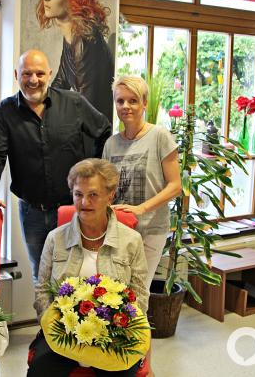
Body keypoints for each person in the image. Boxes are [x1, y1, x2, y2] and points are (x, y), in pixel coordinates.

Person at [0, 49, 112, 282]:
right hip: (32, 212)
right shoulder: (3, 112)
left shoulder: (74, 102)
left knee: (80, 276)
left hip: (74, 209)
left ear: (49, 74)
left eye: (39, 73)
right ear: (17, 75)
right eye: (26, 73)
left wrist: (93, 175)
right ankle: (45, 321)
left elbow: (104, 131)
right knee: (42, 277)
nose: (33, 80)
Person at [28, 158, 148, 377]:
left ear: (110, 195)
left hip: (113, 334)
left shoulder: (132, 241)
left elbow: (139, 295)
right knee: (40, 370)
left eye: (93, 194)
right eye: (78, 194)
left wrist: (119, 328)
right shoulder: (55, 239)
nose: (84, 202)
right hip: (63, 330)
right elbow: (42, 290)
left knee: (121, 372)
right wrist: (54, 325)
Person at [102, 75, 181, 293]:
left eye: (133, 100)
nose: (126, 106)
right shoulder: (111, 144)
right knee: (114, 293)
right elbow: (107, 188)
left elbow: (175, 186)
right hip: (118, 228)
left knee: (137, 294)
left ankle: (139, 329)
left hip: (151, 229)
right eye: (120, 101)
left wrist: (141, 209)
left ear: (144, 103)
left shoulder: (160, 137)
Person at [36, 0, 115, 121]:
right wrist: (36, 106)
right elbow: (60, 82)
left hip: (92, 137)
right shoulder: (72, 35)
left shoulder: (86, 41)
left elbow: (88, 108)